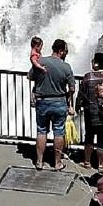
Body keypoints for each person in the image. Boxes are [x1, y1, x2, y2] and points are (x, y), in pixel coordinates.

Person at [30, 38, 76, 171]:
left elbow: (30, 76)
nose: (66, 54)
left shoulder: (40, 61)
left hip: (42, 101)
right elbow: (72, 88)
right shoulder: (66, 67)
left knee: (41, 131)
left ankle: (39, 162)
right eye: (66, 51)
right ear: (61, 51)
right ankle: (57, 163)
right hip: (59, 102)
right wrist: (69, 99)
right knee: (59, 132)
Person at [76, 52, 103, 169]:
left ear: (96, 64)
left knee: (89, 137)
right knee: (102, 138)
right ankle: (101, 164)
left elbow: (81, 94)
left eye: (93, 61)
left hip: (90, 112)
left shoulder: (88, 77)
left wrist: (77, 106)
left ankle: (87, 161)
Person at [28, 37, 45, 107]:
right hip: (36, 72)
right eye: (41, 46)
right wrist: (41, 68)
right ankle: (33, 100)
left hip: (37, 72)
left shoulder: (36, 52)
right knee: (36, 87)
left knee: (37, 85)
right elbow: (34, 62)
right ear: (36, 46)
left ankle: (34, 99)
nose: (41, 48)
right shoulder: (34, 54)